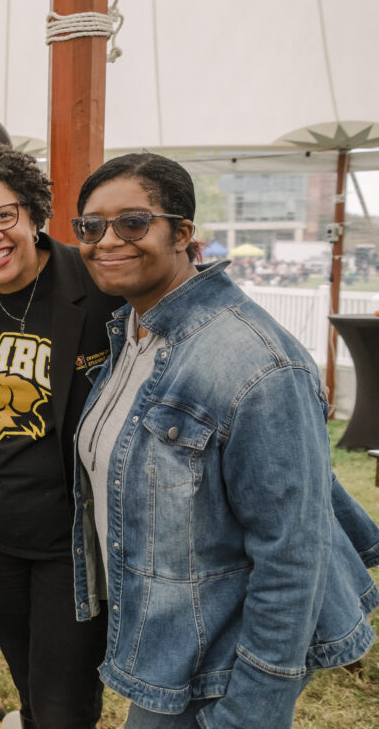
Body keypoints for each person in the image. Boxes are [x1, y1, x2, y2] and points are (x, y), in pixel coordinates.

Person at [71, 153, 379, 729]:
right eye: (90, 226)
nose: (106, 240)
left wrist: (253, 710)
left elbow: (292, 556)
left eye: (132, 222)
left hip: (222, 675)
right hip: (169, 652)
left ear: (183, 233)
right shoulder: (133, 335)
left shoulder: (258, 364)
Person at [0, 146, 121, 729]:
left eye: (3, 216)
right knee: (31, 686)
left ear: (33, 212)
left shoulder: (93, 284)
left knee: (63, 704)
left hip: (72, 539)